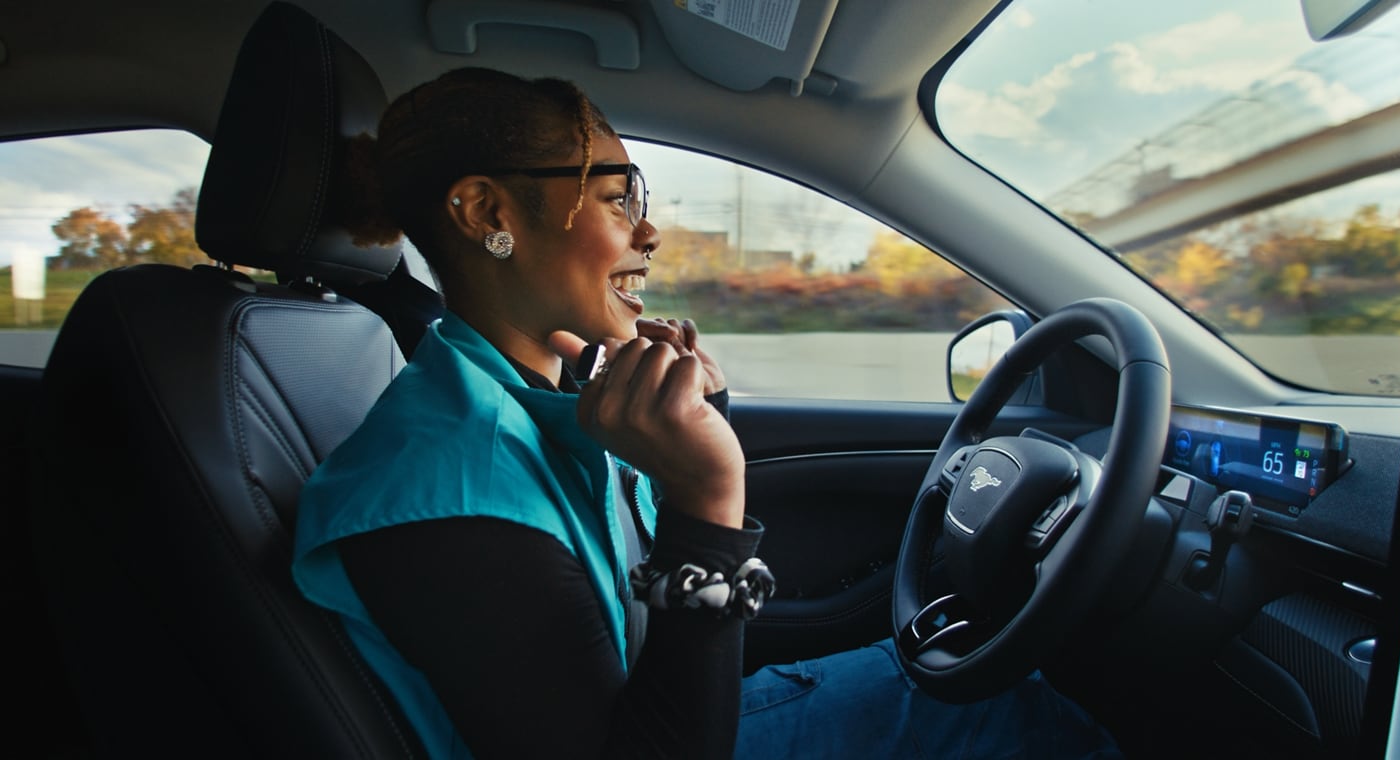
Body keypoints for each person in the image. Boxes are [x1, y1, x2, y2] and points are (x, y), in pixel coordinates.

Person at [292, 66, 1122, 759]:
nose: (648, 231)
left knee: (963, 669)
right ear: (487, 214)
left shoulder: (526, 393)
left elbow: (629, 612)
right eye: (617, 199)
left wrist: (705, 422)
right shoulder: (448, 484)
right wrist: (707, 505)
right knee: (1009, 710)